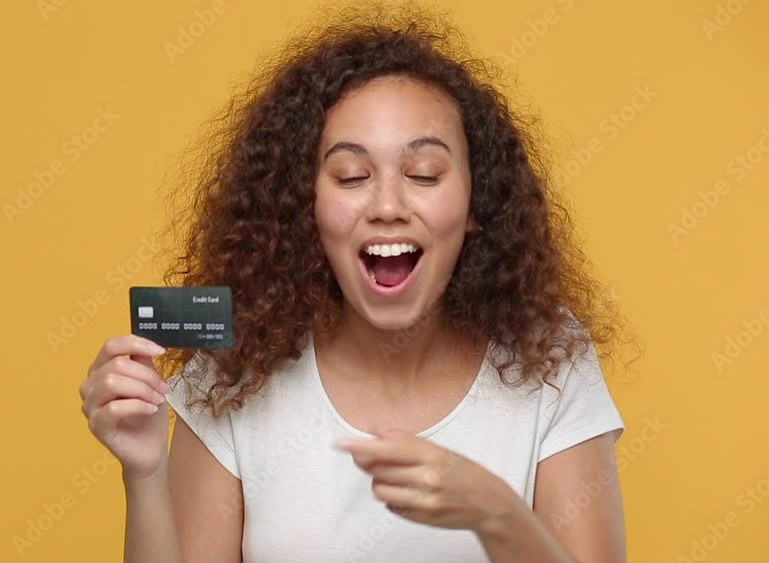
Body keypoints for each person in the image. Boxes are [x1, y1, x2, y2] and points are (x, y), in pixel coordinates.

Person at [79, 4, 634, 562]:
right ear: (306, 205)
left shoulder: (550, 360)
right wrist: (145, 473)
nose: (388, 205)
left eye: (423, 175)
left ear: (476, 203)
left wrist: (497, 513)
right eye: (351, 177)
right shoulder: (233, 371)